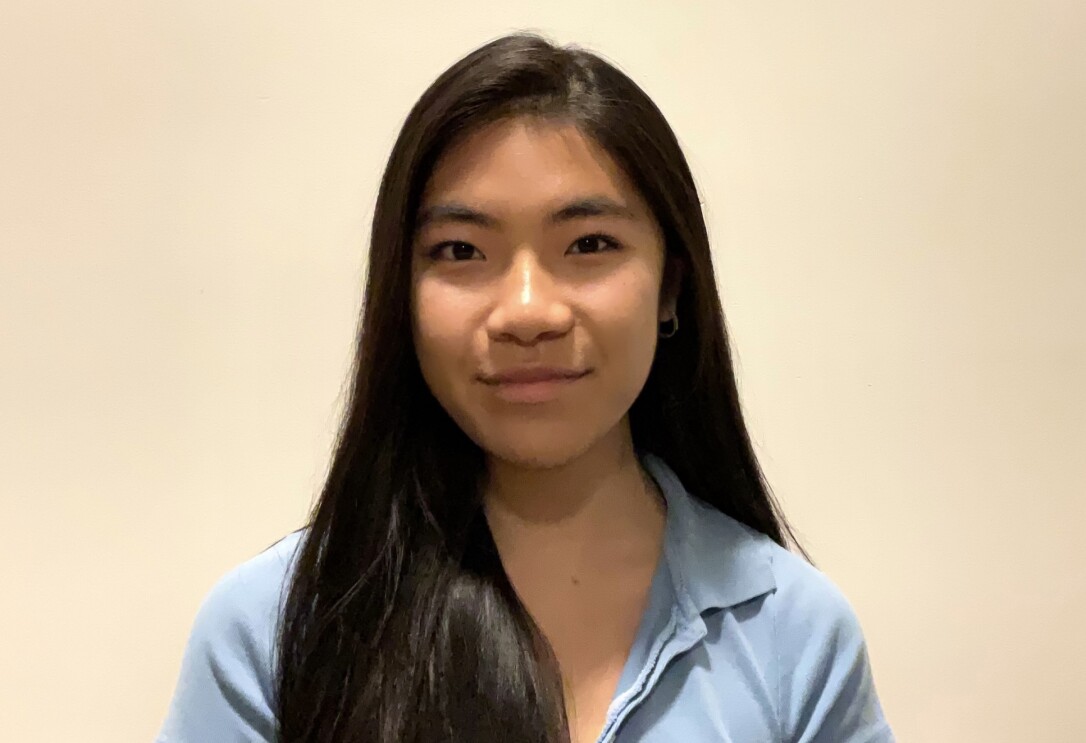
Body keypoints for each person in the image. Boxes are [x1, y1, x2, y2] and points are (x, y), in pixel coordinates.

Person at [156, 31, 895, 743]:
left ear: (671, 285)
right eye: (462, 251)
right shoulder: (278, 628)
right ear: (401, 295)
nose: (527, 311)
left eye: (589, 245)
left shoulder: (793, 633)